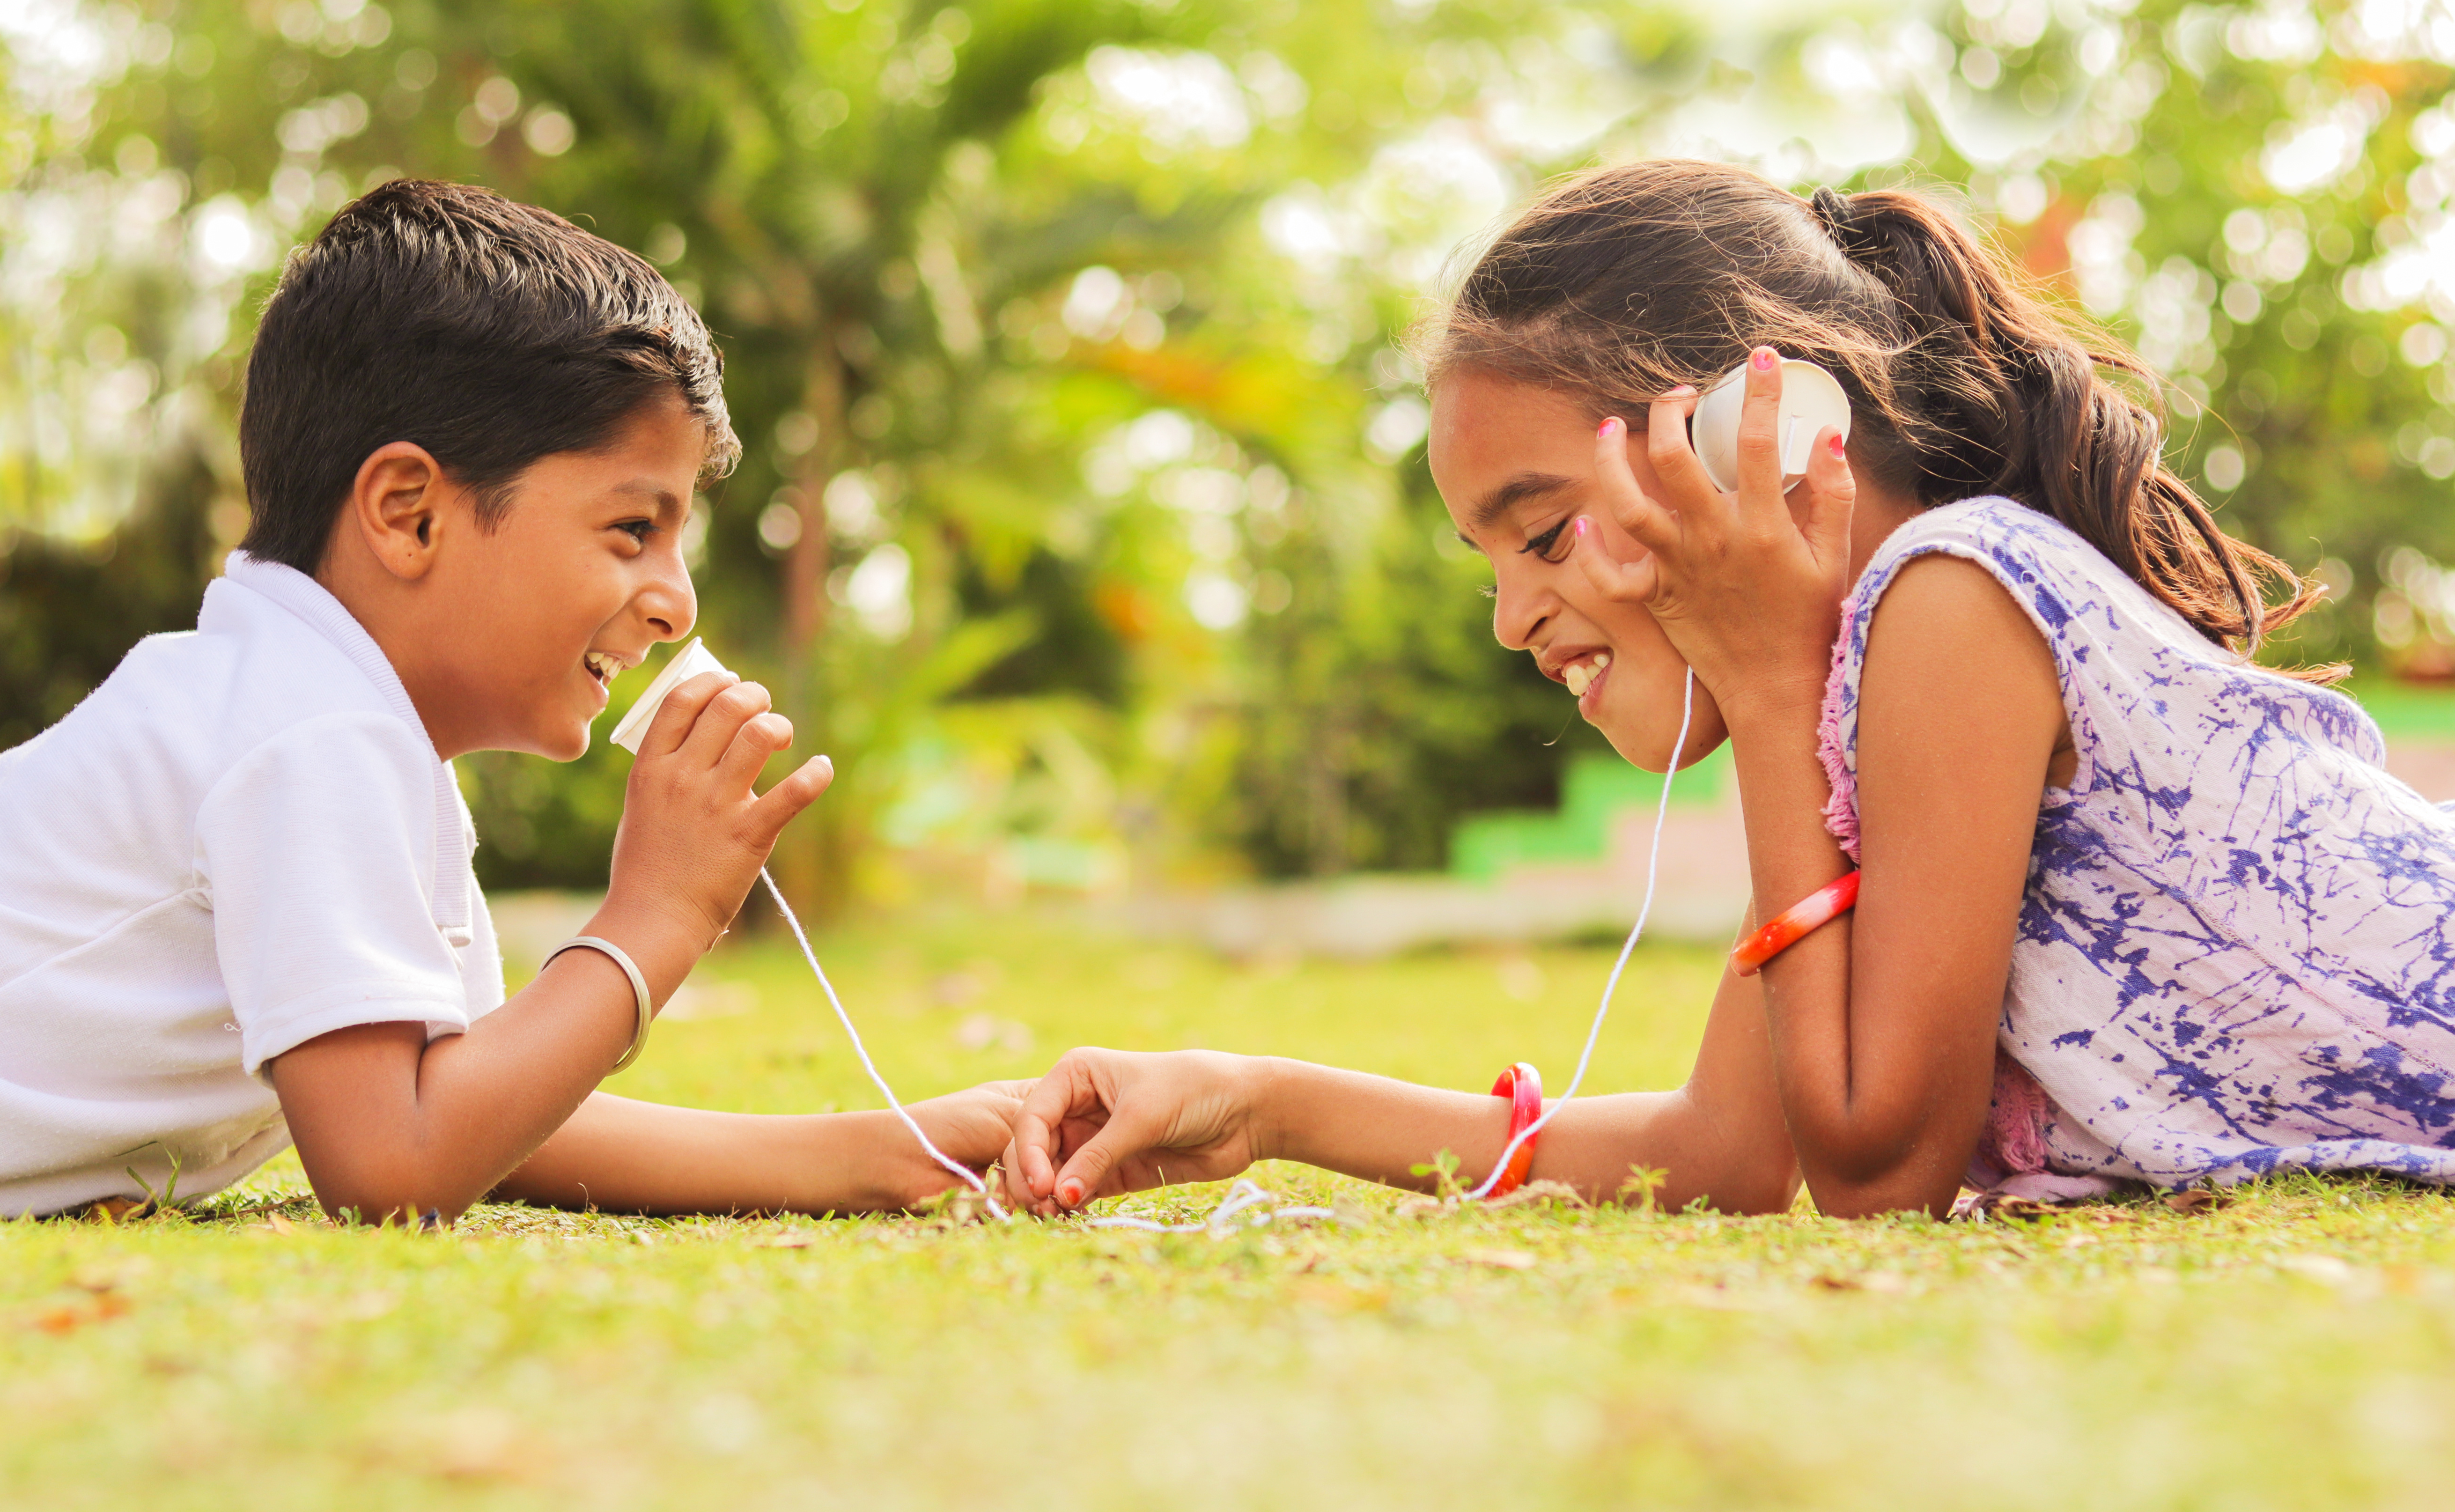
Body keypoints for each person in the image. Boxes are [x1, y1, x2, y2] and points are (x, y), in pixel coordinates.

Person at [1007, 158, 2455, 1220]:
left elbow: (1873, 1169)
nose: (1516, 619)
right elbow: (1727, 1150)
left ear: (1757, 430)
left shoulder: (1956, 600)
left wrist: (1766, 688)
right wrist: (1262, 1104)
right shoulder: (1873, 684)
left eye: (1542, 528)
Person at [0, 180, 1017, 1224]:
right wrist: (655, 920)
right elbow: (397, 1163)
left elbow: (488, 1109)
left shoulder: (336, 725)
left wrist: (904, 1150)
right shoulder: (308, 729)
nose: (674, 601)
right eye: (630, 530)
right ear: (409, 512)